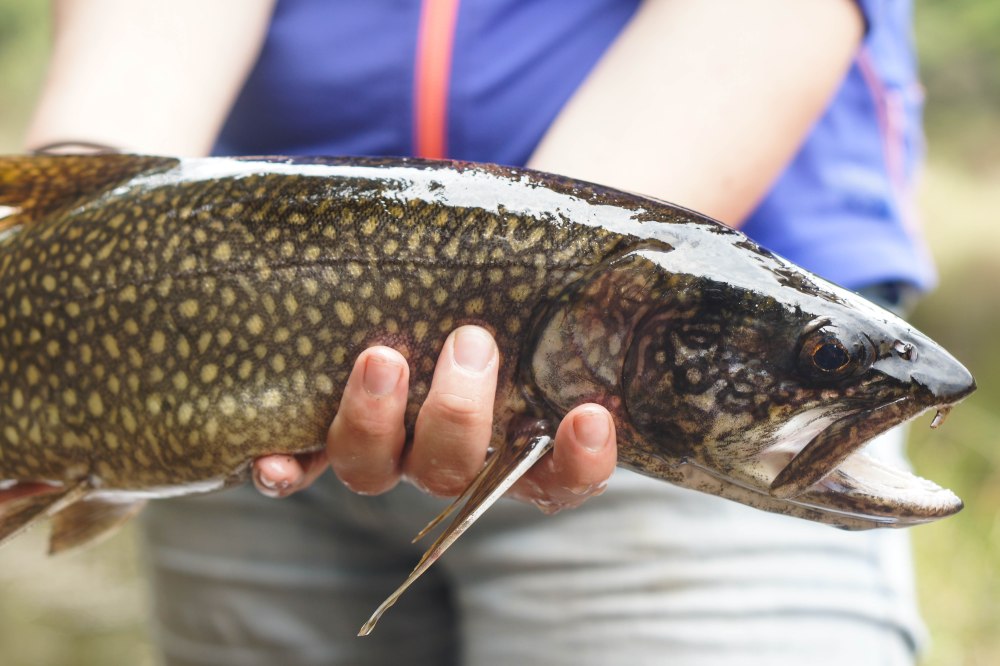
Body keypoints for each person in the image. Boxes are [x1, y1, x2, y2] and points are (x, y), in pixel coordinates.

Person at [25, 1, 931, 664]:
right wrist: (74, 215)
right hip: (197, 342)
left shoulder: (617, 311)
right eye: (822, 361)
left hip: (641, 379)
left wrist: (516, 306)